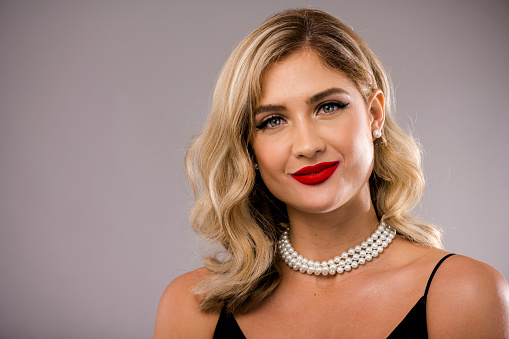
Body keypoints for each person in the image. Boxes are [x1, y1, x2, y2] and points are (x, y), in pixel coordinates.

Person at [154, 8, 509, 338]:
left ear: (374, 114)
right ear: (249, 148)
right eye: (273, 121)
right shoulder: (191, 307)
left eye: (328, 107)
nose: (307, 145)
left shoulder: (465, 294)